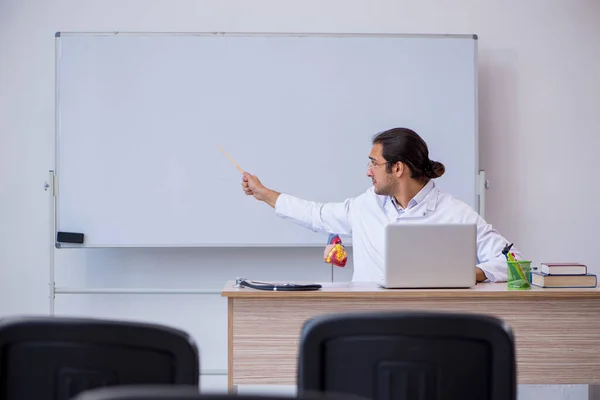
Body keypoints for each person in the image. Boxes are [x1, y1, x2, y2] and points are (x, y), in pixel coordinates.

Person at [241, 127, 520, 283]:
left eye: (374, 163)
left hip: (429, 327)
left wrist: (474, 272)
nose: (368, 171)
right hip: (367, 323)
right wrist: (264, 193)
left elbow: (515, 262)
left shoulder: (455, 213)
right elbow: (316, 215)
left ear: (397, 168)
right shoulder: (366, 206)